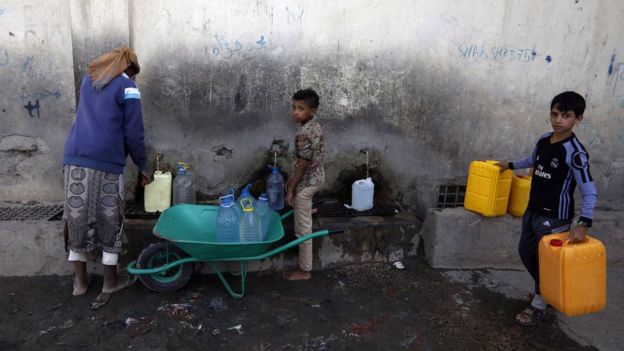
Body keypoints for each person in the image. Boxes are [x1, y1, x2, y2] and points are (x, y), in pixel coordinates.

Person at [497, 91, 597, 326]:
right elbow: (531, 161)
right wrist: (509, 165)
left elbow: (590, 191)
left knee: (546, 262)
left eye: (566, 115)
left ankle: (539, 306)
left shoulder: (576, 153)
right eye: (554, 114)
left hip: (555, 218)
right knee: (526, 253)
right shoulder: (543, 140)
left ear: (578, 119)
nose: (558, 120)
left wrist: (583, 224)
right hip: (532, 211)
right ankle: (546, 292)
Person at [62, 47, 151, 309]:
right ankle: (109, 282)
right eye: (132, 71)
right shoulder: (129, 87)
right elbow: (134, 133)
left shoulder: (88, 81)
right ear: (129, 67)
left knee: (76, 218)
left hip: (74, 158)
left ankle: (79, 283)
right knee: (110, 219)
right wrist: (143, 165)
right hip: (106, 161)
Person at [284, 89, 325, 281]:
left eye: (301, 108)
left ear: (312, 111)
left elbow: (302, 164)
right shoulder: (315, 126)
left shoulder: (303, 134)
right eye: (294, 107)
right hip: (317, 178)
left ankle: (305, 270)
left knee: (302, 229)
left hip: (306, 184)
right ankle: (308, 209)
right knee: (304, 210)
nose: (295, 112)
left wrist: (291, 187)